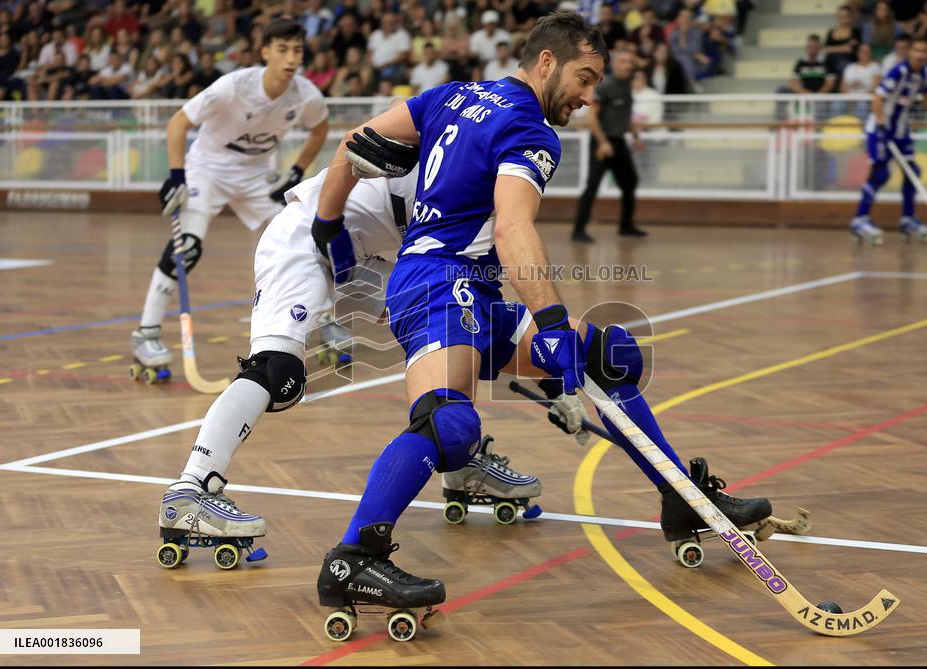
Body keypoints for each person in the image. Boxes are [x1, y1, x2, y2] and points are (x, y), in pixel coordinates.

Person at [308, 11, 773, 630]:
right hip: (439, 288)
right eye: (584, 79)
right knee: (449, 426)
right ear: (546, 62)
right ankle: (352, 558)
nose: (588, 97)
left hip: (465, 288)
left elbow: (354, 141)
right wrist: (551, 324)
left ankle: (680, 499)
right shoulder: (530, 129)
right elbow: (512, 227)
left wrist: (328, 224)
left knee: (613, 356)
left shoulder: (454, 94)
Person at [156, 158, 560, 564]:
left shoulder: (489, 184)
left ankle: (459, 459)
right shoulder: (457, 156)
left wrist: (552, 371)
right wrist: (328, 220)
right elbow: (353, 145)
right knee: (278, 372)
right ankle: (191, 489)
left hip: (364, 259)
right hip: (309, 239)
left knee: (451, 328)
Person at [130, 19, 331, 380]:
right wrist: (177, 176)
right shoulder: (234, 86)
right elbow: (179, 122)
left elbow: (320, 129)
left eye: (297, 50)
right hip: (207, 170)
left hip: (255, 177)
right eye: (282, 49)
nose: (290, 58)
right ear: (265, 51)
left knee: (307, 239)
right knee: (186, 247)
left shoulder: (306, 95)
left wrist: (297, 172)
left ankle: (323, 320)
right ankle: (145, 333)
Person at [850, 37, 927, 244]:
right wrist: (882, 127)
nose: (921, 55)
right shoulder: (898, 72)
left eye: (925, 51)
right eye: (917, 50)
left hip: (901, 131)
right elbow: (878, 98)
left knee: (912, 172)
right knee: (880, 173)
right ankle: (860, 220)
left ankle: (908, 219)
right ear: (910, 52)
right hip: (879, 130)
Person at [572, 48, 647, 242]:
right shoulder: (606, 87)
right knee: (592, 186)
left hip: (619, 141)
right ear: (614, 64)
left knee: (630, 182)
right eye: (624, 61)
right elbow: (592, 117)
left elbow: (624, 116)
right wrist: (603, 142)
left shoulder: (626, 86)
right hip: (601, 142)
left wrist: (635, 136)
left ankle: (626, 226)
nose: (628, 66)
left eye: (631, 62)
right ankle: (578, 230)